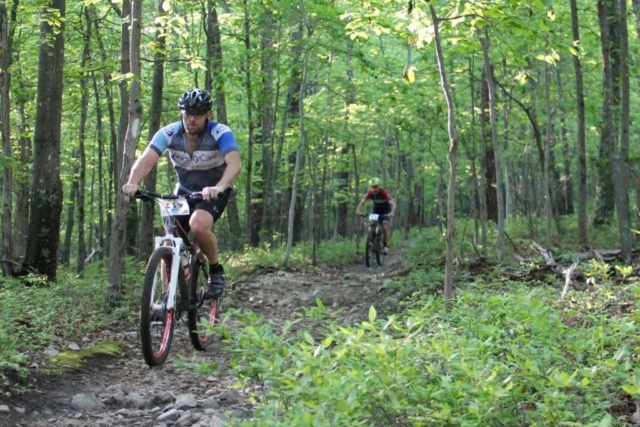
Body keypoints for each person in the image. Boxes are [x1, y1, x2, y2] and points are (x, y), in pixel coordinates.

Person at [122, 88, 242, 300]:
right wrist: (132, 183)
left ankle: (215, 271)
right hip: (184, 192)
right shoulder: (169, 133)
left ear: (208, 115)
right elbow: (146, 160)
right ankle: (167, 298)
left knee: (198, 225)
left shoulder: (219, 132)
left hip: (214, 191)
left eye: (197, 114)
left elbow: (234, 162)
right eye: (187, 114)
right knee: (169, 242)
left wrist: (220, 186)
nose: (191, 119)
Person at [355, 177, 396, 254]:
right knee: (371, 223)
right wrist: (358, 210)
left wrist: (392, 212)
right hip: (376, 211)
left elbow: (393, 203)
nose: (374, 189)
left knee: (385, 227)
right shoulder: (370, 193)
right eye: (372, 187)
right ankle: (370, 240)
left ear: (379, 186)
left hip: (386, 211)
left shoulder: (384, 193)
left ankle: (385, 246)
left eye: (376, 187)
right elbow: (362, 202)